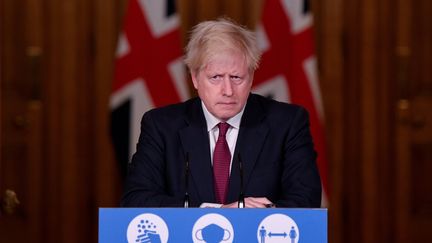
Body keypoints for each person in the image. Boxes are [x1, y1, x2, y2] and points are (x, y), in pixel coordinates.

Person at [121, 18, 322, 208]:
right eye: (215, 77)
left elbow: (306, 200)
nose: (227, 90)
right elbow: (137, 198)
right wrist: (216, 212)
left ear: (251, 77)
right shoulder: (162, 126)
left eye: (236, 77)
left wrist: (259, 214)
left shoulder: (287, 123)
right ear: (195, 79)